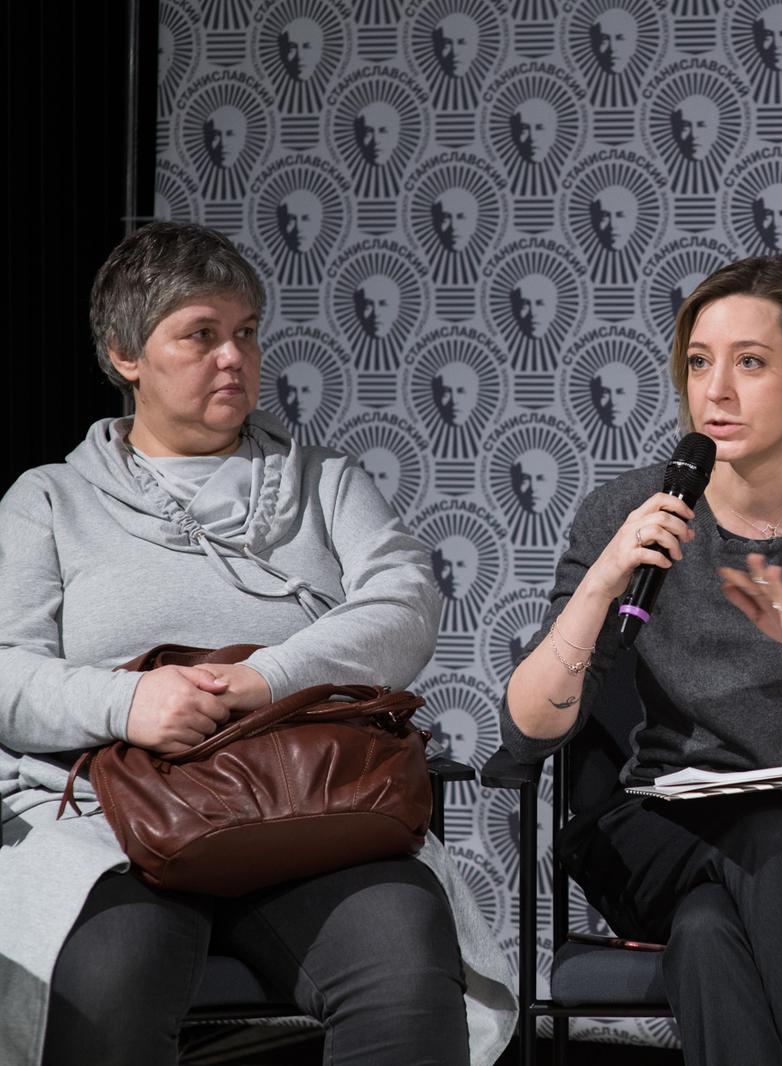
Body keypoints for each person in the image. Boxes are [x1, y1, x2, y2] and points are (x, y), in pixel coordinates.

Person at [0, 222, 514, 1065]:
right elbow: (6, 672)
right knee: (108, 979)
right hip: (109, 825)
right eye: (201, 335)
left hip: (311, 812)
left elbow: (405, 602)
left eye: (245, 332)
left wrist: (267, 679)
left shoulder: (327, 481)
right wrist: (130, 702)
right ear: (126, 355)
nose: (234, 357)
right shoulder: (49, 500)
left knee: (404, 966)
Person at [500, 254, 782, 1066]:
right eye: (698, 363)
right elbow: (530, 730)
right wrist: (602, 581)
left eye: (750, 363)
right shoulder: (628, 513)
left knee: (710, 933)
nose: (715, 391)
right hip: (661, 830)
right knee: (770, 841)